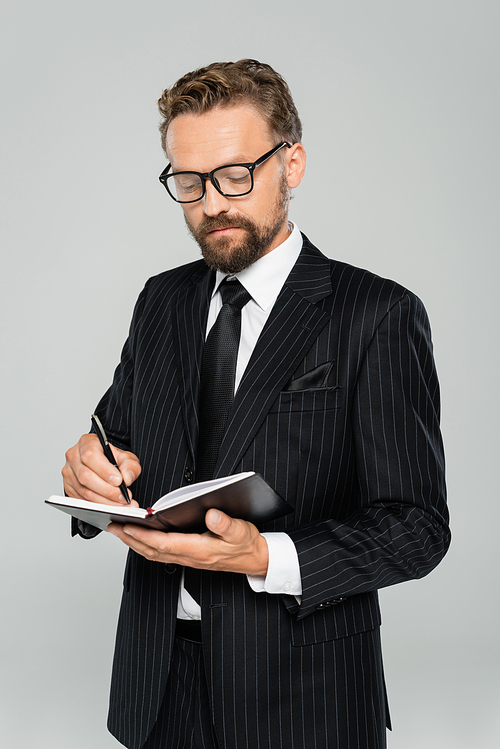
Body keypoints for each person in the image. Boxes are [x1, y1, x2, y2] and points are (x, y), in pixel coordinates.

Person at [62, 59, 450, 749]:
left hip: (307, 694)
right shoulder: (161, 300)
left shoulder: (376, 314)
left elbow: (417, 526)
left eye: (236, 174)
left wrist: (265, 556)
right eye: (188, 181)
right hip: (159, 685)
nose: (212, 203)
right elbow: (115, 436)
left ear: (291, 164)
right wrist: (91, 472)